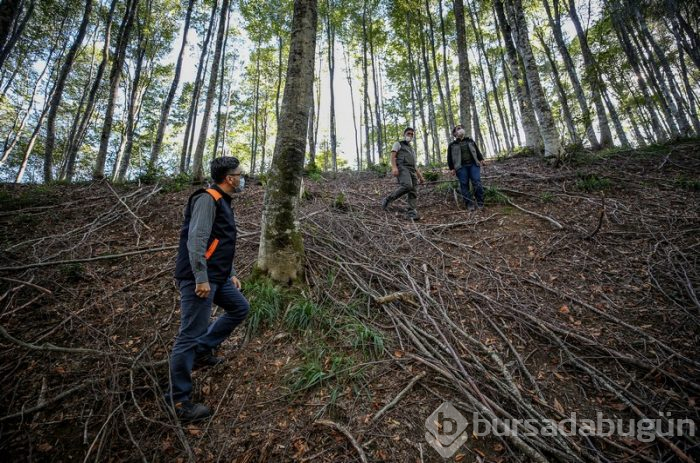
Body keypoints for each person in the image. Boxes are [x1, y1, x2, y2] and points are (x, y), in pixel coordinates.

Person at [167, 156, 249, 422]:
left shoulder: (224, 201)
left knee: (239, 308)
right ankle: (178, 402)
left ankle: (203, 351)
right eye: (240, 173)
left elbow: (222, 241)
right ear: (229, 178)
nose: (242, 177)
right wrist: (201, 277)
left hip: (219, 277)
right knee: (189, 335)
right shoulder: (207, 199)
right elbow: (197, 240)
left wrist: (231, 273)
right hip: (200, 279)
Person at [381, 127, 425, 220]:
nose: (410, 136)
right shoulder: (398, 144)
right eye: (408, 133)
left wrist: (420, 177)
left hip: (412, 170)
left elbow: (414, 165)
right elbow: (393, 156)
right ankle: (388, 199)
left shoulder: (412, 149)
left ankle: (411, 212)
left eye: (412, 134)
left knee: (413, 190)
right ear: (404, 134)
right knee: (407, 185)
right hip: (402, 167)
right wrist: (394, 167)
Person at [447, 124, 485, 210]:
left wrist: (481, 159)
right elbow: (449, 157)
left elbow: (477, 151)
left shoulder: (470, 141)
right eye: (458, 129)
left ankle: (480, 202)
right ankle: (469, 204)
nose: (461, 130)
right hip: (460, 167)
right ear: (455, 133)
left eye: (461, 128)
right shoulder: (452, 145)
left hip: (473, 165)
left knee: (477, 181)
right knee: (464, 184)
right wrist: (451, 168)